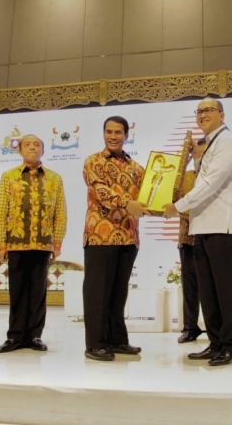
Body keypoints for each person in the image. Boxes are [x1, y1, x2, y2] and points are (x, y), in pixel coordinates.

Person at [163, 97, 232, 367]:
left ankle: (231, 345)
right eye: (198, 111)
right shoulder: (208, 145)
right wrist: (195, 159)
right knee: (208, 291)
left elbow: (210, 183)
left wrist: (177, 206)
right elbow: (203, 178)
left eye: (209, 110)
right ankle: (216, 343)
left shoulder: (227, 143)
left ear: (222, 115)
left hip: (224, 226)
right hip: (202, 226)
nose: (202, 115)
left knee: (226, 289)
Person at [82, 116, 147, 361]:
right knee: (97, 293)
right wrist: (127, 203)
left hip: (128, 237)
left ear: (126, 135)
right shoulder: (94, 161)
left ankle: (117, 340)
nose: (113, 136)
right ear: (103, 134)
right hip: (101, 236)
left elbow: (149, 194)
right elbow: (100, 190)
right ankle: (95, 344)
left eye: (118, 132)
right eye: (108, 132)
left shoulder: (136, 168)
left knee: (119, 294)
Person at [0, 135, 67, 353]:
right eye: (27, 144)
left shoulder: (54, 178)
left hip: (43, 243)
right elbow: (0, 211)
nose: (32, 148)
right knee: (17, 291)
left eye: (37, 145)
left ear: (43, 151)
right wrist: (1, 243)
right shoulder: (9, 176)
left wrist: (57, 242)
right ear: (19, 151)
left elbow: (60, 212)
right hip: (16, 243)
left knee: (38, 292)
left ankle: (35, 335)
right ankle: (15, 336)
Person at [177, 138, 206, 344]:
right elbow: (173, 199)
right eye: (197, 153)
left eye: (204, 154)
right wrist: (184, 160)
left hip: (209, 238)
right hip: (187, 238)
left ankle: (217, 327)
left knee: (211, 286)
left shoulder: (214, 178)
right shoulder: (186, 177)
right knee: (189, 286)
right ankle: (189, 327)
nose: (200, 157)